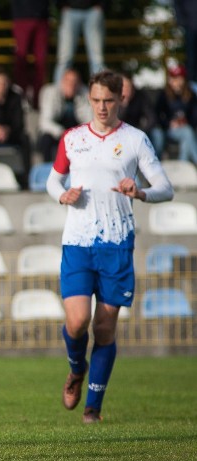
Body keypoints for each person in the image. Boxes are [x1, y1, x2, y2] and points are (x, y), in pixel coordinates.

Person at [46, 70, 173, 424]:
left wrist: (141, 192)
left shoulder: (135, 140)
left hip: (117, 245)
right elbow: (52, 180)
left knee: (103, 329)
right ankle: (75, 368)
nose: (102, 107)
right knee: (77, 322)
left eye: (109, 101)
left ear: (121, 100)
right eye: (97, 100)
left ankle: (93, 408)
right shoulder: (72, 139)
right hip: (78, 242)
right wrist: (62, 195)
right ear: (89, 99)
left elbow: (166, 187)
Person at [37, 67, 91, 161]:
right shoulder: (50, 92)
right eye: (68, 81)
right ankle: (46, 168)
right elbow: (45, 122)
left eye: (74, 82)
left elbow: (89, 120)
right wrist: (62, 132)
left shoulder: (84, 94)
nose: (71, 85)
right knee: (46, 139)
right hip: (55, 134)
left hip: (76, 133)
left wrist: (77, 134)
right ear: (62, 81)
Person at [53, 0, 105, 84]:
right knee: (64, 58)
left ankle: (100, 91)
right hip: (70, 10)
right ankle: (58, 93)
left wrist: (102, 4)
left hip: (93, 10)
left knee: (97, 59)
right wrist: (61, 4)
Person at [11, 0, 51, 109]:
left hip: (42, 18)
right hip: (22, 17)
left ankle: (38, 99)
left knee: (41, 62)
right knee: (20, 60)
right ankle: (21, 98)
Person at [154, 63, 197, 164]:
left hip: (185, 129)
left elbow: (195, 115)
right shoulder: (164, 94)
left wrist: (185, 123)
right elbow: (156, 114)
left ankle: (183, 164)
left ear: (184, 79)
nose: (176, 81)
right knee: (157, 135)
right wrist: (168, 123)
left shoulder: (191, 94)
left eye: (179, 78)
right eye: (173, 78)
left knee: (187, 134)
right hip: (167, 129)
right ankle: (156, 165)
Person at [119, 73, 163, 156]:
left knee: (157, 134)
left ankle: (156, 161)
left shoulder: (141, 96)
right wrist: (124, 105)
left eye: (128, 86)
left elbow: (152, 117)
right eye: (123, 87)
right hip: (121, 131)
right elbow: (115, 120)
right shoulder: (114, 99)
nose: (126, 89)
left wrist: (142, 130)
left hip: (139, 129)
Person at [174, 0, 197, 83]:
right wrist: (182, 22)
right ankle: (192, 82)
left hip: (190, 24)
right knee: (191, 57)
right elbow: (177, 4)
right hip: (190, 26)